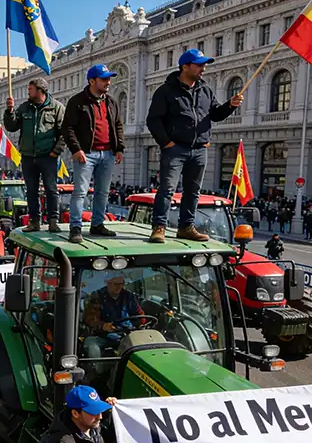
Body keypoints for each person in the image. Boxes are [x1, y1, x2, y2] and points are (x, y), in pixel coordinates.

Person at [146, 49, 243, 243]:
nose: (203, 68)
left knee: (193, 191)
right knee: (167, 189)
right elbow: (153, 121)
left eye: (204, 64)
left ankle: (186, 227)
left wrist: (230, 105)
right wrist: (167, 143)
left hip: (199, 149)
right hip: (176, 149)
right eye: (199, 65)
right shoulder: (165, 91)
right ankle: (159, 227)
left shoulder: (205, 89)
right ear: (185, 66)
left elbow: (214, 114)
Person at [61, 65, 125, 243]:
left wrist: (119, 148)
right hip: (86, 154)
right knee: (80, 192)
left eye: (109, 78)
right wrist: (76, 149)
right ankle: (75, 227)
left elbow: (118, 125)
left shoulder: (111, 102)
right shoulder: (77, 101)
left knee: (103, 192)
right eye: (104, 79)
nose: (108, 82)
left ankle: (97, 224)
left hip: (108, 153)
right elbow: (67, 127)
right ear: (92, 81)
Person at [4, 77, 66, 233]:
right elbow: (11, 127)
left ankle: (53, 220)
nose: (28, 92)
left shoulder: (56, 108)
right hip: (28, 156)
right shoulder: (25, 108)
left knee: (51, 189)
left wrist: (55, 151)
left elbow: (64, 133)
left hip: (48, 156)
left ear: (40, 90)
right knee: (31, 190)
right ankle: (34, 221)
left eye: (30, 89)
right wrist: (9, 111)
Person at [47, 385, 125, 443]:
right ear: (75, 413)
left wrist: (115, 410)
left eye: (100, 409)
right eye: (93, 411)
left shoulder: (93, 428)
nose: (99, 416)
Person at [82, 272, 144, 361]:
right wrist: (103, 326)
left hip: (127, 333)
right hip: (104, 335)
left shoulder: (129, 296)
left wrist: (141, 323)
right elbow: (90, 319)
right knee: (91, 344)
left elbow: (139, 315)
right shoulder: (97, 296)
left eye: (122, 284)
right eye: (116, 284)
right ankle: (98, 370)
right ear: (107, 283)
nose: (119, 287)